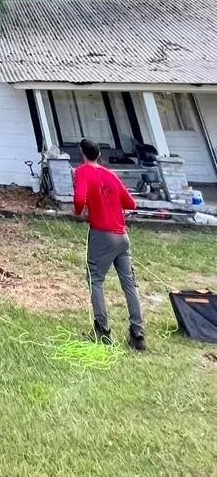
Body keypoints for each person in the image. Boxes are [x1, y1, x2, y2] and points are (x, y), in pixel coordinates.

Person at [73, 137, 146, 350]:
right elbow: (131, 203)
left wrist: (79, 212)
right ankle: (137, 333)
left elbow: (79, 199)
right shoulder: (111, 175)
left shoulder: (83, 171)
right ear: (99, 155)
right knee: (129, 284)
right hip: (122, 237)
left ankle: (102, 330)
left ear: (82, 153)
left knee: (95, 279)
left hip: (102, 235)